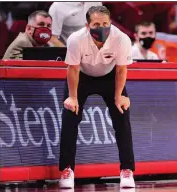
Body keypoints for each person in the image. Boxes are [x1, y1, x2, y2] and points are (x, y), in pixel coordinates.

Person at [59, 6, 135, 189]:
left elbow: (121, 69)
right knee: (70, 118)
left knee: (122, 117)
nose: (101, 27)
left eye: (105, 24)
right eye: (96, 24)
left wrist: (118, 96)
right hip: (82, 76)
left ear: (110, 23)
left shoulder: (122, 39)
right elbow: (73, 69)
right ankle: (66, 170)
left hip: (110, 77)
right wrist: (72, 97)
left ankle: (127, 170)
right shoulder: (76, 39)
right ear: (87, 25)